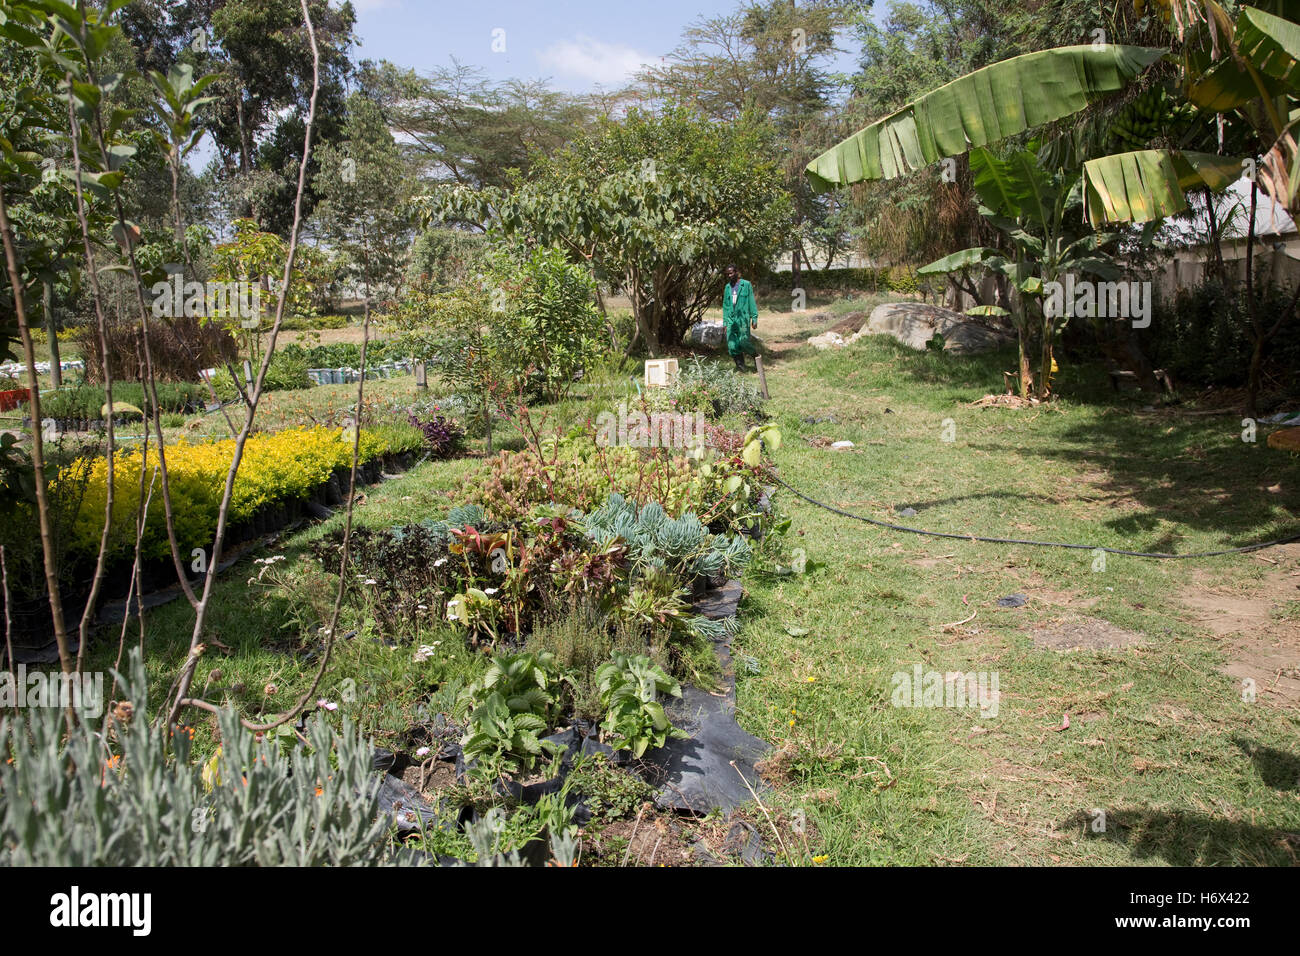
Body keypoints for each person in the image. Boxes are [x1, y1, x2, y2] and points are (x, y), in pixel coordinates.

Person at [722, 264, 758, 372]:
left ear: (736, 272)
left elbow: (751, 301)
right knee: (732, 345)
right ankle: (741, 367)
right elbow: (725, 305)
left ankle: (756, 357)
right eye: (727, 274)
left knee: (743, 342)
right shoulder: (727, 287)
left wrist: (754, 318)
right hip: (731, 319)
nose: (729, 275)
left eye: (731, 273)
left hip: (743, 319)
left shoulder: (746, 285)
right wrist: (725, 322)